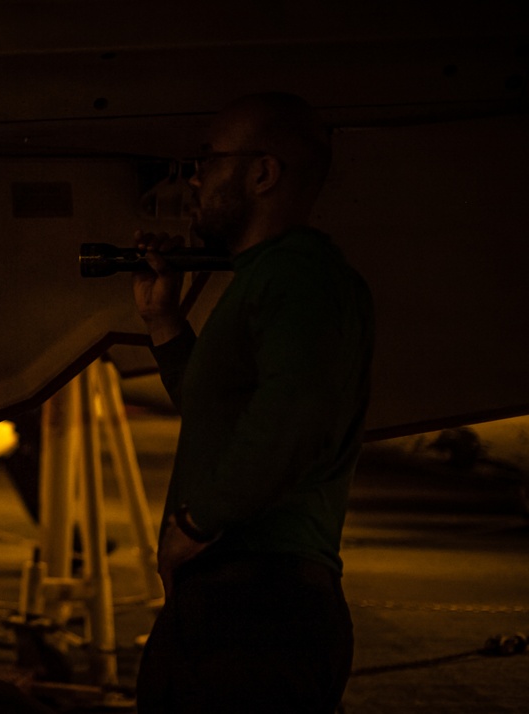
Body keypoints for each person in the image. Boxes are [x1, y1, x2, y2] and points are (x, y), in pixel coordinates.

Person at [132, 93, 374, 712]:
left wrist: (195, 523)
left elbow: (291, 420)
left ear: (262, 174)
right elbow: (226, 415)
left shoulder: (300, 275)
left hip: (260, 607)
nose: (194, 179)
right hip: (238, 599)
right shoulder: (268, 278)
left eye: (209, 162)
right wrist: (163, 322)